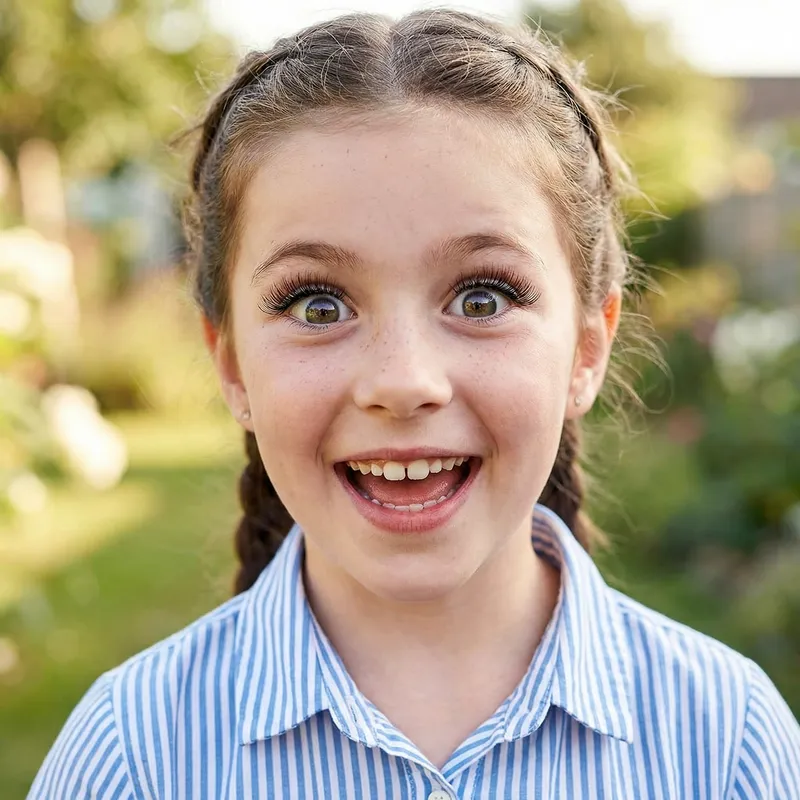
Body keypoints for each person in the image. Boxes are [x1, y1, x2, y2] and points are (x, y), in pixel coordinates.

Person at [29, 9, 800, 799]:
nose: (403, 381)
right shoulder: (133, 756)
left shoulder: (725, 741)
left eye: (481, 297)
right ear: (230, 363)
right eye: (318, 306)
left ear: (586, 347)